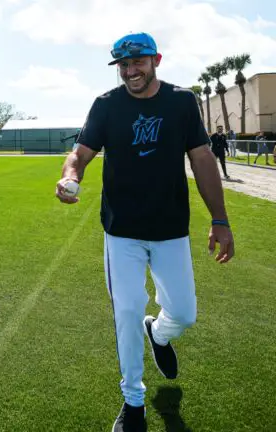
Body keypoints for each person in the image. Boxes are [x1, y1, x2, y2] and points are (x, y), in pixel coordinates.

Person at [55, 32, 235, 432]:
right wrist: (70, 176)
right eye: (123, 64)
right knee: (128, 310)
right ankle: (133, 400)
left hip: (171, 228)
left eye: (137, 62)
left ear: (156, 59)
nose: (131, 71)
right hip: (122, 231)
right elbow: (80, 153)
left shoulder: (181, 101)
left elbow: (202, 158)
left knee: (185, 314)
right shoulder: (106, 105)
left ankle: (160, 333)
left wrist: (220, 219)